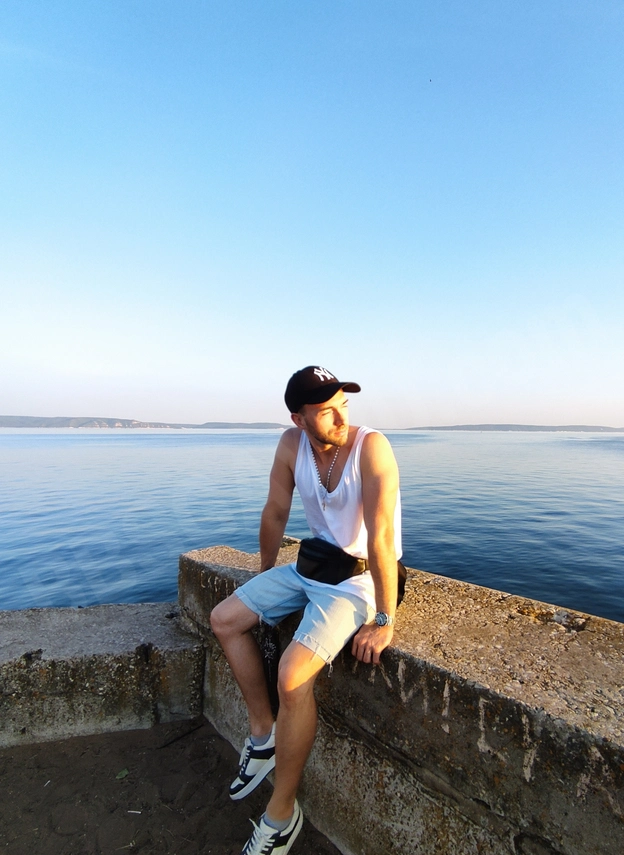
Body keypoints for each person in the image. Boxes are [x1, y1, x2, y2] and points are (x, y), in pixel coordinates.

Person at [210, 365, 403, 855]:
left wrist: (385, 619)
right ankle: (263, 735)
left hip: (359, 579)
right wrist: (264, 576)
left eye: (343, 405)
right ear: (299, 419)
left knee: (293, 676)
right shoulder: (290, 445)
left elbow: (381, 537)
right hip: (311, 566)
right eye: (326, 410)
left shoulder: (371, 447)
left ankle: (281, 815)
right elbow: (276, 510)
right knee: (224, 620)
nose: (340, 416)